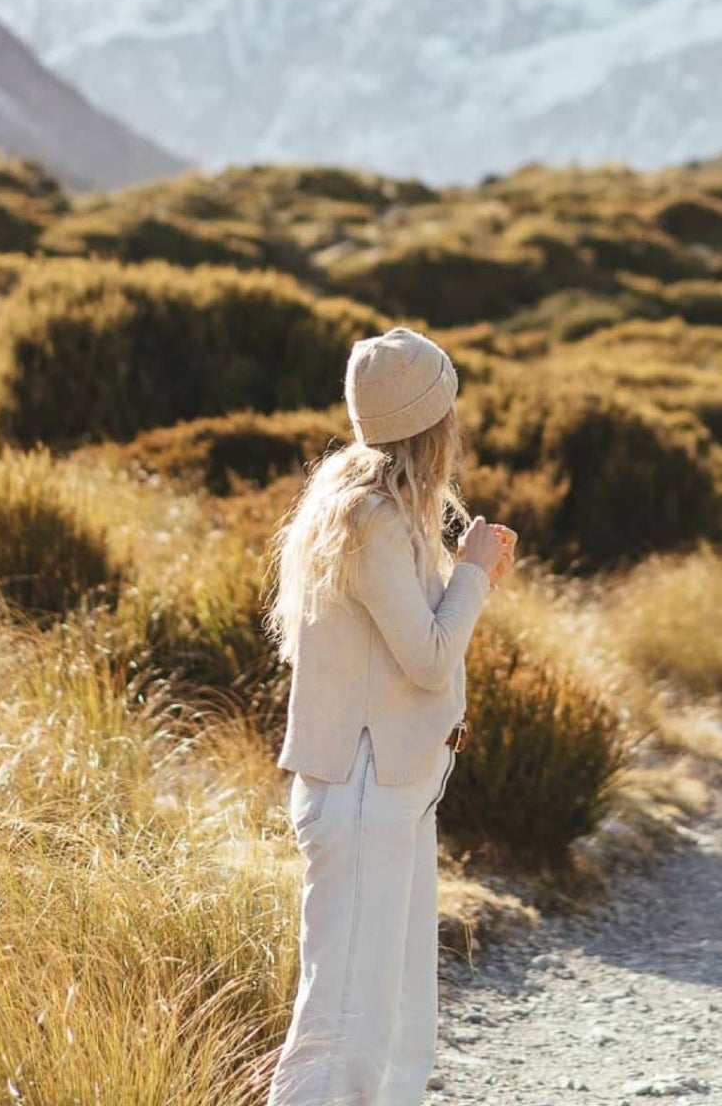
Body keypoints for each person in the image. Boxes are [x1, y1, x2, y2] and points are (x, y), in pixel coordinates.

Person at [266, 325, 516, 1106]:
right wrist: (473, 573)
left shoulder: (373, 507)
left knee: (402, 1020)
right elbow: (429, 658)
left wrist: (463, 571)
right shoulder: (369, 518)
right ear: (433, 422)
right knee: (344, 1025)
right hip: (366, 789)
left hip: (392, 786)